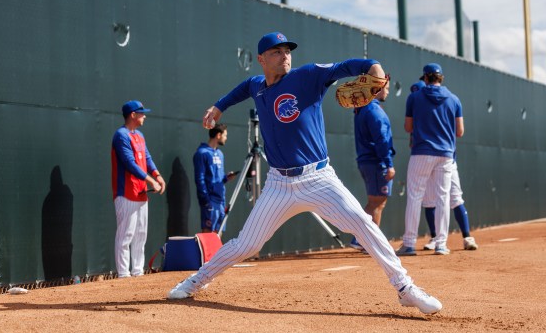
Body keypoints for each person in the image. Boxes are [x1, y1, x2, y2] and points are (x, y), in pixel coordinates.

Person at [167, 31, 442, 315]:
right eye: (276, 51)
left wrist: (372, 66)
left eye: (287, 50)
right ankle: (196, 280)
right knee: (245, 244)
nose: (285, 55)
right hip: (278, 184)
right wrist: (219, 106)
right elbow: (242, 89)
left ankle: (405, 288)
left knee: (363, 224)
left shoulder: (307, 76)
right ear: (261, 59)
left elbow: (344, 67)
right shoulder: (257, 86)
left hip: (318, 178)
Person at [396, 63, 463, 256]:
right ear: (441, 78)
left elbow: (408, 127)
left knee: (415, 197)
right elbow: (460, 131)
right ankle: (441, 244)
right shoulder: (454, 99)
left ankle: (409, 244)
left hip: (421, 152)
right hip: (445, 154)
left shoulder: (414, 97)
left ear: (425, 78)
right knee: (443, 198)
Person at [409, 79, 478, 251]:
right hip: (445, 156)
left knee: (452, 198)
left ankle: (465, 236)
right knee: (432, 199)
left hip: (438, 157)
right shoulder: (447, 99)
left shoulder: (421, 100)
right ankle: (437, 239)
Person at [111, 100, 166, 277]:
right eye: (141, 113)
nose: (144, 116)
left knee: (140, 234)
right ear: (132, 115)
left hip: (141, 192)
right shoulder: (121, 135)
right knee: (126, 234)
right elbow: (129, 163)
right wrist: (151, 181)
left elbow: (147, 159)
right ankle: (123, 274)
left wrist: (157, 175)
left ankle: (137, 271)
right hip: (126, 192)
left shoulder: (139, 135)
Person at [350, 80, 395, 251]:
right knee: (376, 202)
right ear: (376, 89)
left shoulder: (363, 109)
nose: (388, 92)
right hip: (376, 162)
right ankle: (363, 240)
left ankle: (365, 240)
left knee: (376, 202)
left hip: (368, 161)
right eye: (386, 88)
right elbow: (382, 140)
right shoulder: (374, 110)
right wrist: (388, 164)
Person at [422, 161, 478, 250]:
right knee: (429, 201)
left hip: (448, 160)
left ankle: (467, 238)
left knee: (456, 199)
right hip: (429, 162)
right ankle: (435, 238)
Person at [193, 123, 238, 233]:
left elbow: (219, 178)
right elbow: (200, 179)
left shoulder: (220, 153)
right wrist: (206, 201)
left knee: (219, 233)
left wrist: (226, 178)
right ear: (218, 135)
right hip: (210, 201)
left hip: (221, 200)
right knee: (208, 234)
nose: (226, 138)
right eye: (225, 135)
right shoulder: (201, 153)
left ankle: (218, 251)